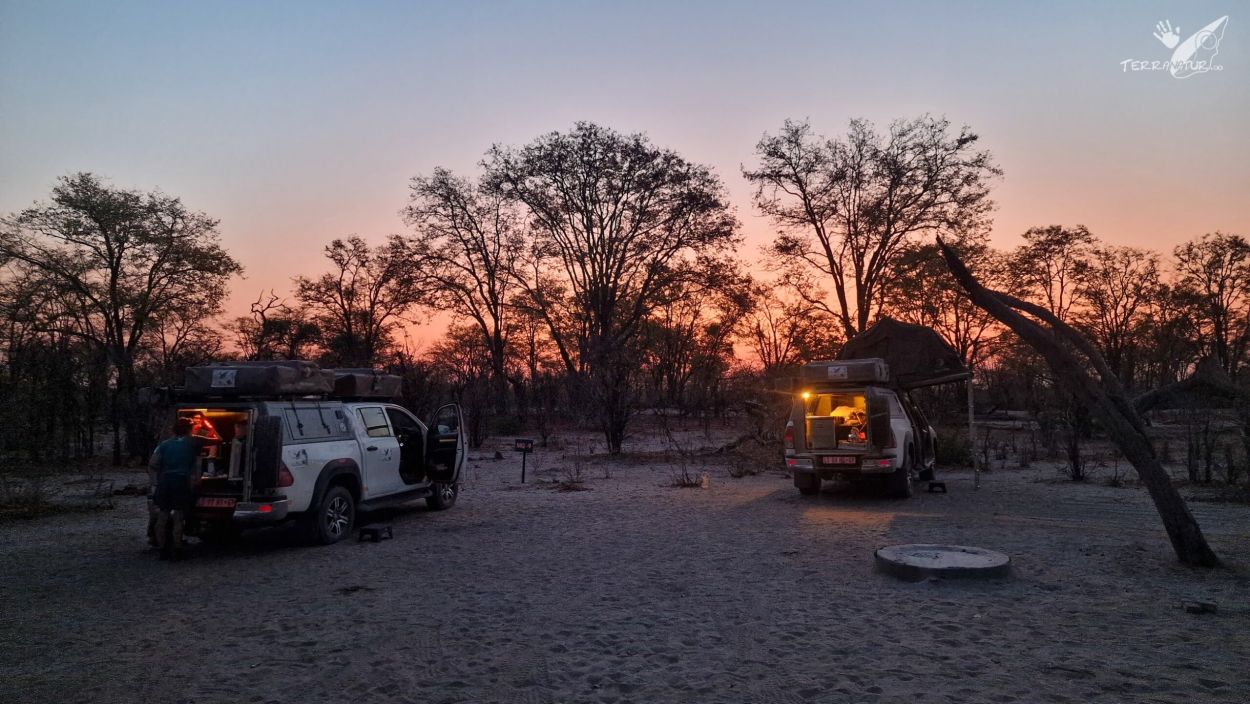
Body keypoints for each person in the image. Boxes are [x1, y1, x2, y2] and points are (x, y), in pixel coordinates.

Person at [148, 417, 203, 560]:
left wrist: (155, 482)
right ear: (189, 430)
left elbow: (153, 464)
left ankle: (162, 549)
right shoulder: (192, 444)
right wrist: (196, 479)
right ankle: (177, 548)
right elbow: (197, 465)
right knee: (178, 516)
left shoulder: (164, 445)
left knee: (163, 515)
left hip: (165, 482)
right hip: (181, 481)